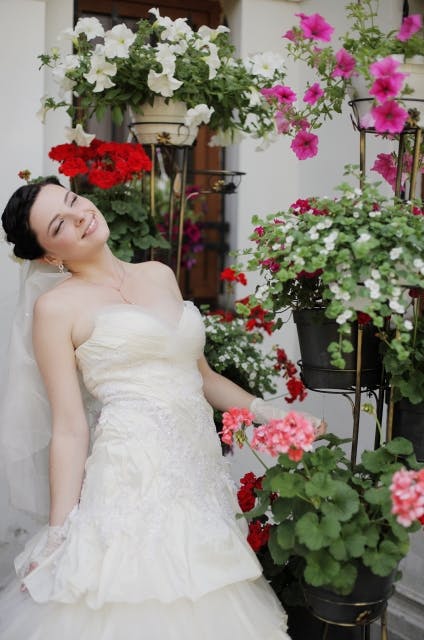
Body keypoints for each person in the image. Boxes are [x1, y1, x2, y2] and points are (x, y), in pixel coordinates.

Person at [0, 178, 325, 640]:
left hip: (199, 474)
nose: (80, 216)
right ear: (50, 256)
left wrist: (276, 416)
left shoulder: (158, 273)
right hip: (130, 477)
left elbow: (203, 378)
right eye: (60, 225)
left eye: (74, 202)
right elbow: (70, 428)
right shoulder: (55, 309)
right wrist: (57, 535)